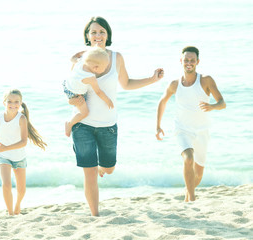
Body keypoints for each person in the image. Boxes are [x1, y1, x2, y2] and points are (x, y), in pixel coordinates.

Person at [69, 16, 164, 216]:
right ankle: (95, 215)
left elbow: (127, 84)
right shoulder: (79, 59)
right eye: (93, 32)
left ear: (108, 35)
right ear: (87, 35)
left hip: (108, 126)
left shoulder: (116, 58)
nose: (97, 36)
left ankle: (104, 169)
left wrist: (152, 79)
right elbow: (70, 90)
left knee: (108, 168)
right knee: (90, 173)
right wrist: (73, 101)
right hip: (82, 125)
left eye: (102, 32)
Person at [155, 46, 226, 202]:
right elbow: (162, 102)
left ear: (197, 62)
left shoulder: (206, 80)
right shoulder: (174, 84)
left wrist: (212, 106)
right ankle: (192, 199)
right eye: (186, 60)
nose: (189, 63)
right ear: (181, 61)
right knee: (188, 158)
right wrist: (158, 126)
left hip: (202, 131)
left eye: (192, 60)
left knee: (198, 173)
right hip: (182, 130)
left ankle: (188, 197)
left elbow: (222, 103)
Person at [0, 89, 47, 215]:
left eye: (16, 102)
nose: (13, 104)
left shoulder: (22, 119)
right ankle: (10, 213)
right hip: (3, 156)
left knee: (21, 190)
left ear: (20, 103)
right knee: (6, 185)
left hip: (19, 157)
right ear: (4, 102)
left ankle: (17, 205)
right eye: (9, 101)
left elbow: (24, 142)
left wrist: (5, 148)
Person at [63, 47, 114, 137]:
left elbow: (72, 58)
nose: (105, 69)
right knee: (85, 113)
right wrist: (107, 100)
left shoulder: (80, 61)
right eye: (104, 67)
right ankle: (69, 123)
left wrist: (83, 53)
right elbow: (98, 92)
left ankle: (71, 101)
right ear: (95, 67)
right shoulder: (90, 77)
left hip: (67, 85)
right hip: (75, 94)